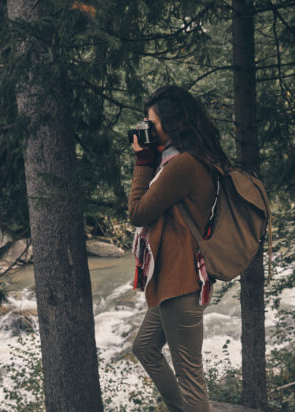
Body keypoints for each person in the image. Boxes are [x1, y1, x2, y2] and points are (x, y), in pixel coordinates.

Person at [128, 85, 229, 412]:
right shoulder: (180, 161)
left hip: (180, 281)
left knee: (190, 376)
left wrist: (142, 160)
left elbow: (138, 212)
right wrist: (154, 154)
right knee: (145, 348)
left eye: (152, 124)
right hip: (172, 278)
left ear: (171, 123)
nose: (148, 130)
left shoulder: (183, 165)